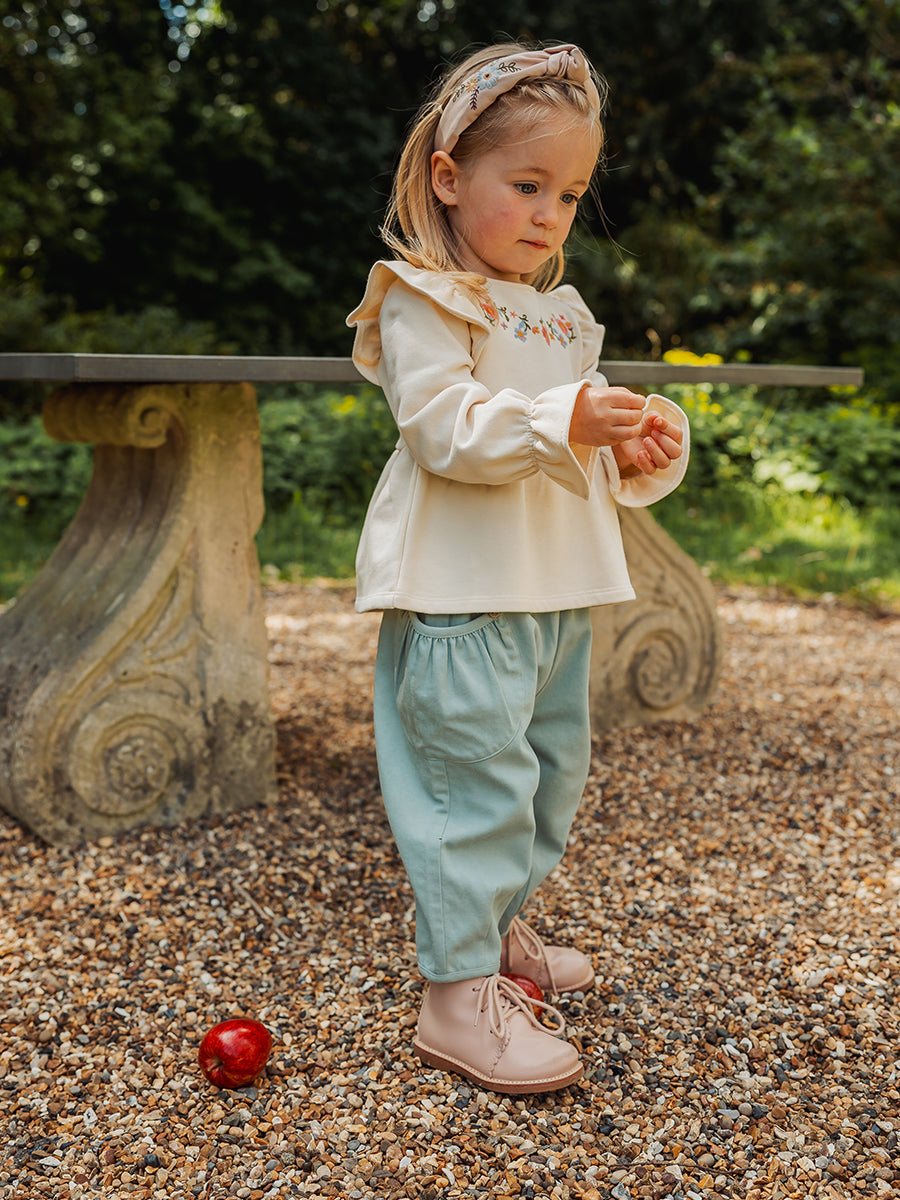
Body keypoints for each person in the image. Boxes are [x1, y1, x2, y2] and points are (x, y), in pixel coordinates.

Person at [346, 41, 689, 1095]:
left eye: (570, 195)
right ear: (449, 178)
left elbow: (565, 444)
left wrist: (627, 449)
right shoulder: (424, 299)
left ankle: (496, 935)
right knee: (472, 790)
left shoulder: (560, 313)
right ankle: (455, 998)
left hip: (554, 590)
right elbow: (446, 427)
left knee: (545, 782)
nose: (550, 215)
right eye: (528, 185)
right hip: (465, 596)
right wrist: (561, 418)